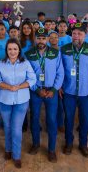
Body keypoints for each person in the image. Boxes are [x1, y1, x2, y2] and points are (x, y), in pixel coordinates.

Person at [60, 22, 88, 158]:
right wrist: (59, 86)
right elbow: (59, 70)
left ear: (85, 35)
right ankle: (68, 142)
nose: (76, 36)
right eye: (74, 33)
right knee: (68, 119)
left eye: (79, 34)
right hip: (68, 92)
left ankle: (83, 144)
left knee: (85, 120)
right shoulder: (64, 49)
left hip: (87, 93)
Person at [0, 38, 36, 168]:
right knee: (8, 126)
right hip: (4, 100)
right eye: (10, 49)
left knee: (16, 129)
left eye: (15, 49)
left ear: (19, 50)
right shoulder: (1, 63)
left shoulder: (26, 63)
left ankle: (16, 155)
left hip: (21, 100)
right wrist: (7, 86)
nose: (12, 51)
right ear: (6, 50)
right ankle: (8, 149)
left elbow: (32, 79)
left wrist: (19, 86)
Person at [25, 28, 64, 163]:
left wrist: (54, 89)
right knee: (34, 118)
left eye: (43, 38)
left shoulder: (55, 53)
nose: (41, 41)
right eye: (38, 38)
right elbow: (27, 74)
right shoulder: (28, 54)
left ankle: (51, 149)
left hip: (51, 92)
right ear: (35, 39)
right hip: (36, 92)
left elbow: (60, 73)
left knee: (51, 120)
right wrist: (37, 89)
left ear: (47, 39)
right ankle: (36, 144)